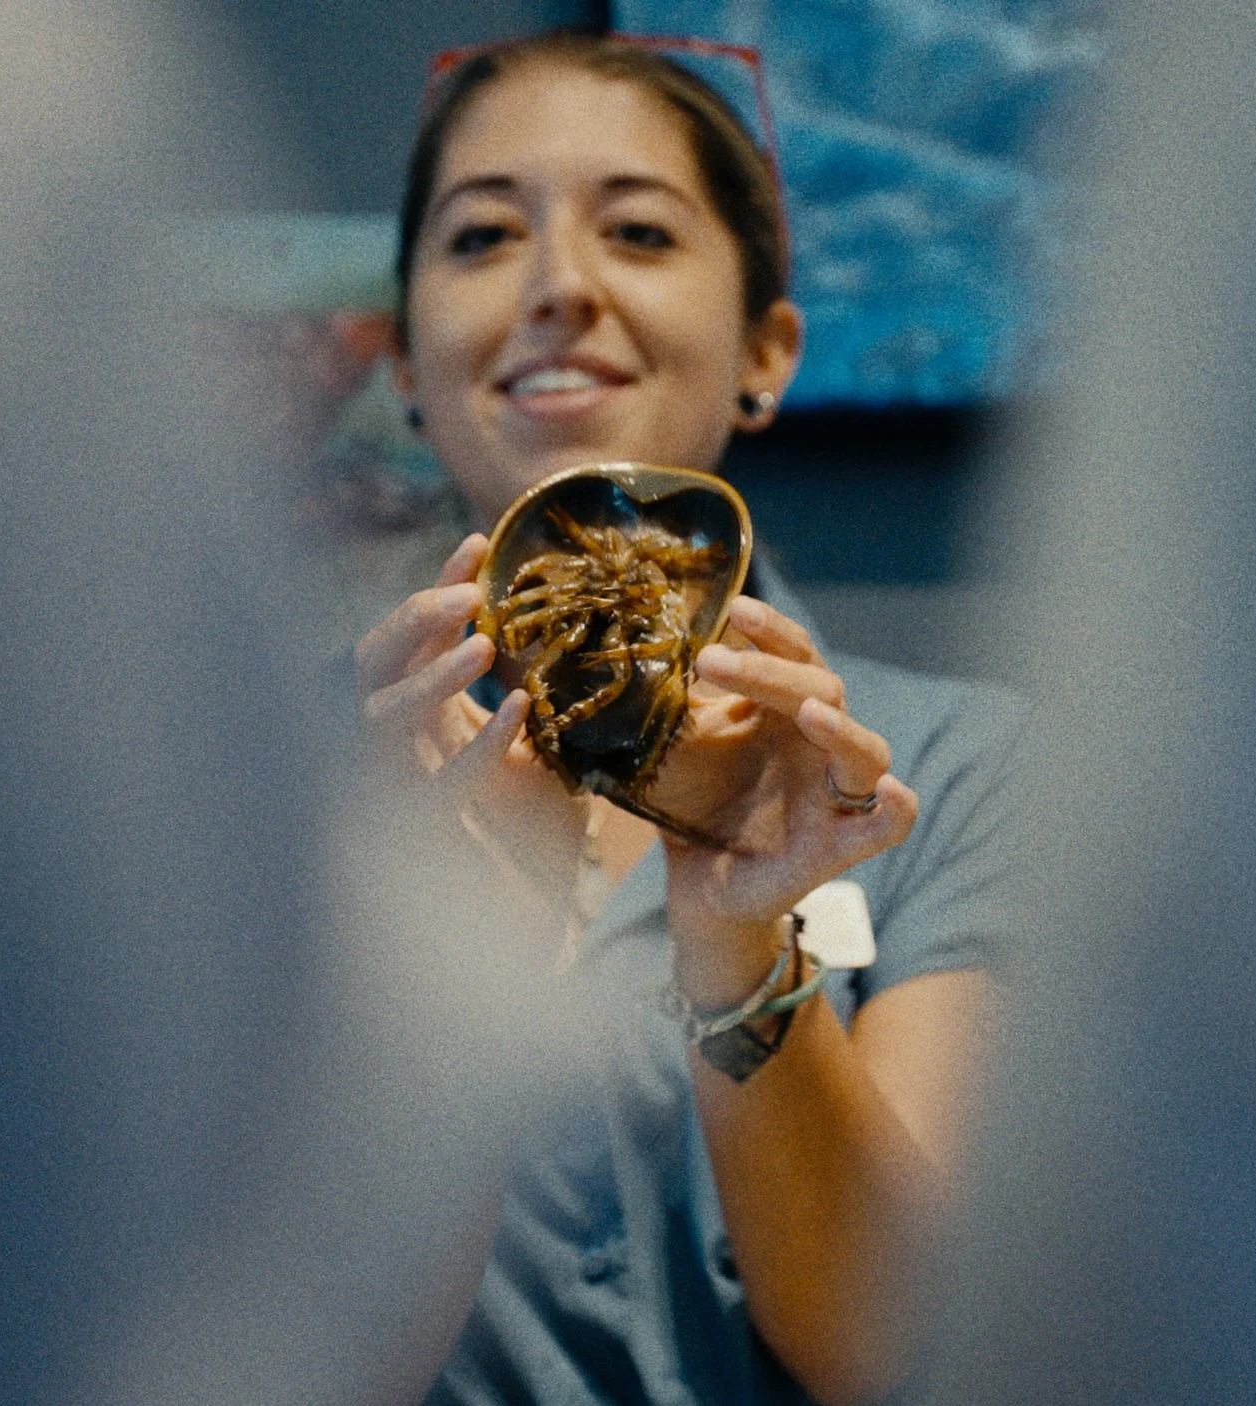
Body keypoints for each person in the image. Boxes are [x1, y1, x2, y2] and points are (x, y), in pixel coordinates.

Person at [347, 32, 1019, 1406]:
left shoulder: (946, 773)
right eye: (482, 237)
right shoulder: (250, 773)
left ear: (768, 347)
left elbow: (908, 1355)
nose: (558, 288)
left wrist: (740, 943)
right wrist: (463, 955)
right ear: (406, 360)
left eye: (639, 231)